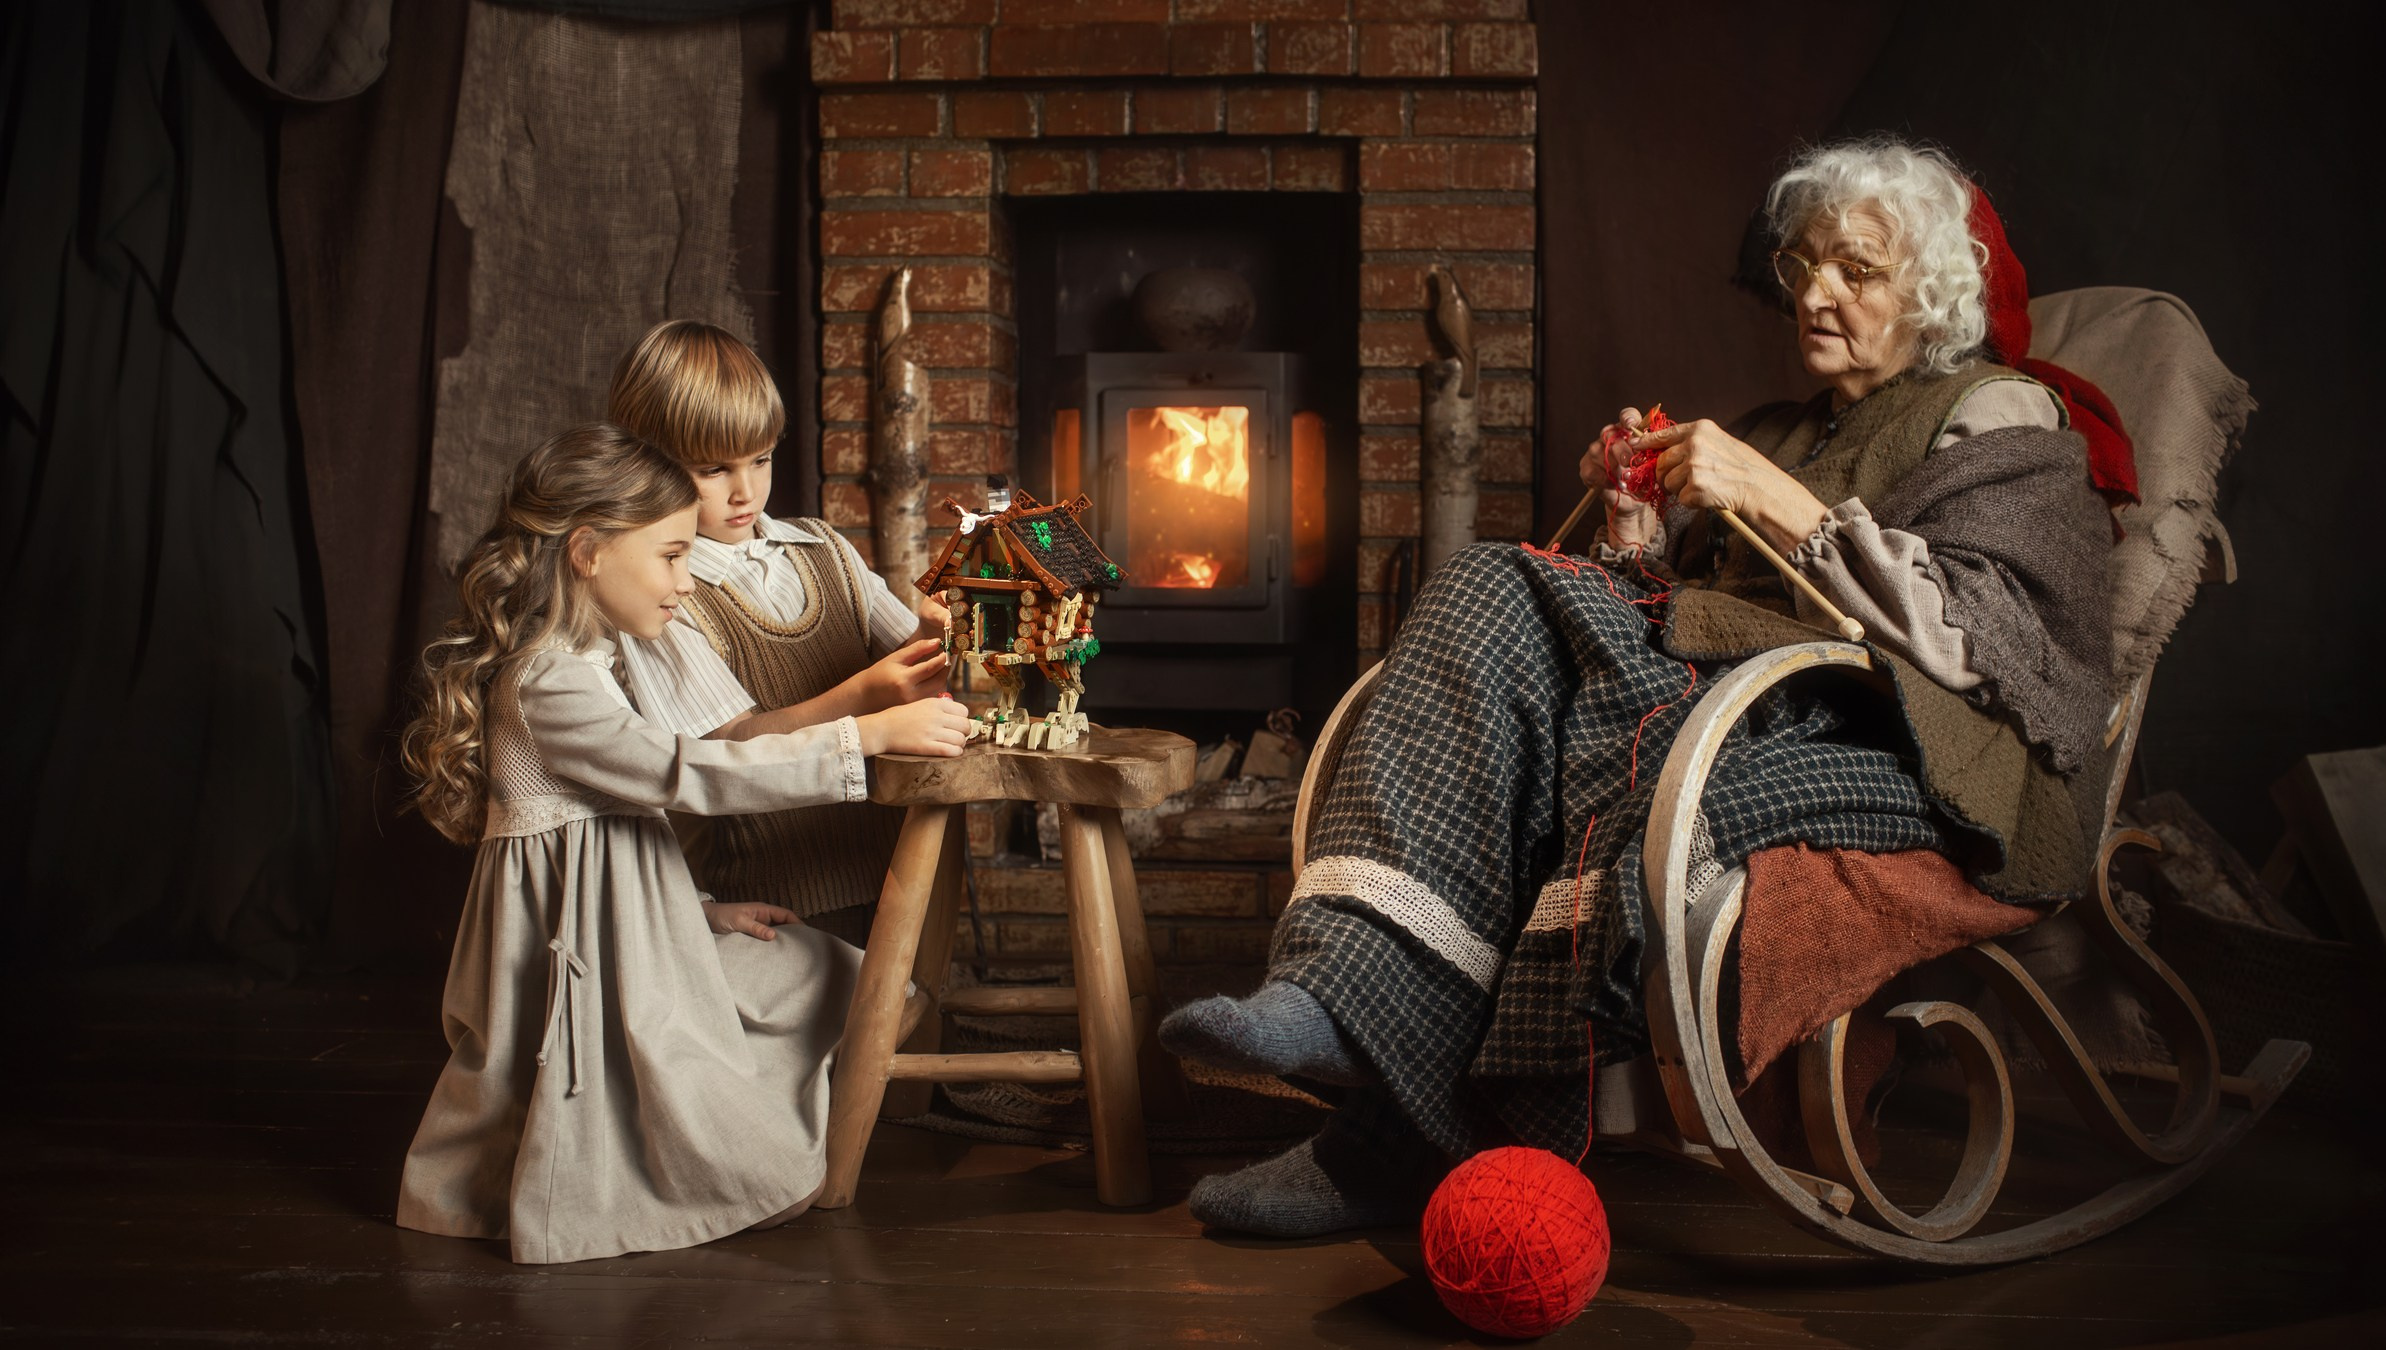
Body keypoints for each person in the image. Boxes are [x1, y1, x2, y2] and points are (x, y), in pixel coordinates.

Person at [1159, 137, 2124, 1237]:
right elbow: (1695, 610)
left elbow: (1978, 637)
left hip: (1913, 752)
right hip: (1754, 701)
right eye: (1803, 265)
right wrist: (1633, 536)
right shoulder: (1785, 427)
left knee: (1601, 725)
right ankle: (1341, 1003)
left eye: (1855, 270)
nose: (1812, 292)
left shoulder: (2002, 416)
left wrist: (1767, 498)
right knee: (1497, 597)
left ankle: (1390, 1135)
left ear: (1936, 290)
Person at [393, 424, 975, 1264]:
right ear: (588, 553)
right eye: (670, 556)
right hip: (582, 962)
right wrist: (866, 737)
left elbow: (618, 840)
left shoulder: (594, 660)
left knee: (834, 979)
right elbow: (685, 775)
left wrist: (702, 909)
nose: (685, 578)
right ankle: (672, 1173)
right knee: (717, 1091)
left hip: (641, 925)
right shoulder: (546, 680)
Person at [609, 320, 949, 946]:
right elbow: (726, 752)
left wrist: (932, 639)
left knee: (914, 1024)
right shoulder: (660, 598)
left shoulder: (825, 547)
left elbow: (919, 680)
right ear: (645, 467)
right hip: (770, 903)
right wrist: (871, 694)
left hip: (890, 866)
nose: (746, 492)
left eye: (761, 459)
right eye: (713, 470)